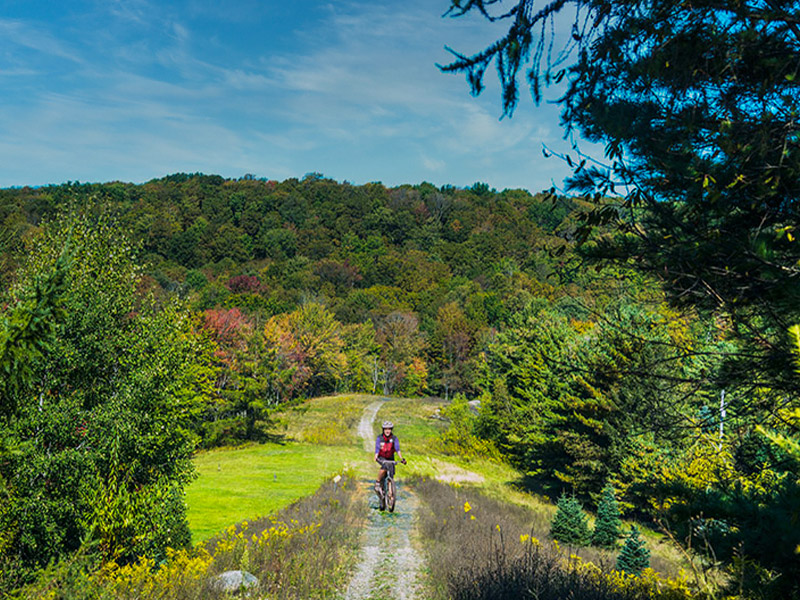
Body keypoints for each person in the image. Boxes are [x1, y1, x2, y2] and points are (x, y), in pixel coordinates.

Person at [374, 420, 406, 499]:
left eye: (389, 429)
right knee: (384, 466)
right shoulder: (380, 438)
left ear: (391, 430)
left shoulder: (394, 438)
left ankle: (391, 494)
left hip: (390, 457)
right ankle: (378, 483)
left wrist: (402, 458)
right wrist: (376, 456)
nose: (387, 431)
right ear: (383, 430)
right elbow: (377, 448)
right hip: (382, 457)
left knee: (391, 476)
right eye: (386, 429)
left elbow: (397, 449)